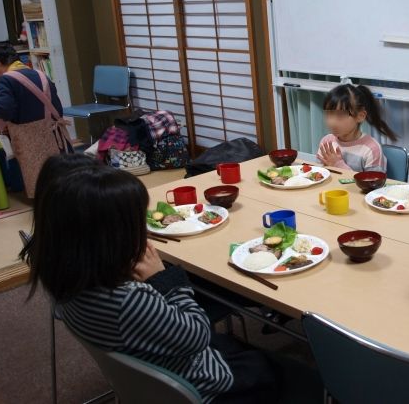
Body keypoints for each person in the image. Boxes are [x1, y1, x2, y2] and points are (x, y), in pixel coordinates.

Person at [23, 160, 320, 403]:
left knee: (226, 307)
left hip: (156, 362)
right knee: (302, 376)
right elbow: (197, 334)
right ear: (108, 236)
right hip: (206, 385)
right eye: (136, 221)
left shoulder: (62, 273)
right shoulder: (127, 299)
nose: (143, 229)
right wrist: (163, 279)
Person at [0, 42, 72, 197]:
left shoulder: (6, 80)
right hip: (55, 133)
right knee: (61, 174)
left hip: (30, 138)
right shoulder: (40, 74)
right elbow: (56, 105)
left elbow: (4, 110)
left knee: (40, 179)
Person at [316, 83, 398, 172]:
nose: (332, 122)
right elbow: (319, 175)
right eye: (328, 114)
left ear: (360, 116)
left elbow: (373, 185)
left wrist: (339, 165)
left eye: (340, 115)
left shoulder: (371, 149)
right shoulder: (327, 142)